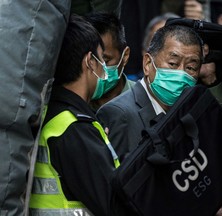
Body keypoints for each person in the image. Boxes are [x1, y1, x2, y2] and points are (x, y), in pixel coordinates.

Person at [29, 14, 121, 216]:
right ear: (89, 61)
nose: (104, 68)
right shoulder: (73, 128)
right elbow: (114, 204)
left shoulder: (48, 113)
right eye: (102, 58)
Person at [96, 24, 204, 162]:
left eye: (190, 67)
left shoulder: (192, 114)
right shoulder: (119, 114)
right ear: (147, 64)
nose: (181, 73)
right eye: (173, 63)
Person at [84, 12, 135, 111]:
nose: (95, 69)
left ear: (125, 56)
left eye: (105, 60)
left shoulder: (142, 98)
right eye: (90, 61)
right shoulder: (74, 102)